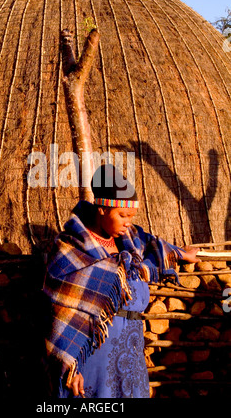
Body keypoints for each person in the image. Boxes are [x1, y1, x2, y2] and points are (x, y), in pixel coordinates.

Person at [43, 164, 199, 398]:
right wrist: (72, 366)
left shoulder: (131, 241)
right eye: (122, 215)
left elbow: (155, 245)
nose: (128, 223)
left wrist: (179, 253)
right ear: (103, 209)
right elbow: (60, 310)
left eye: (131, 217)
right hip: (95, 353)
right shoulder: (71, 249)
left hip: (131, 347)